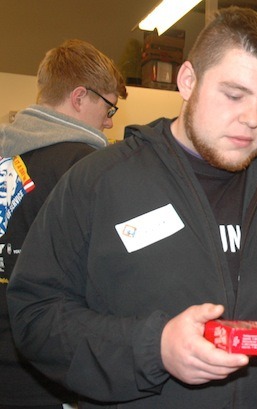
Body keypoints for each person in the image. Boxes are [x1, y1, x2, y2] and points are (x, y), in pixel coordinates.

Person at [7, 7, 257, 409]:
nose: (251, 120)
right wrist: (155, 349)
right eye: (234, 95)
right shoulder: (99, 182)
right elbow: (35, 315)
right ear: (188, 80)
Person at [0, 39, 127, 409]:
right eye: (108, 106)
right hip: (48, 376)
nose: (110, 120)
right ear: (79, 97)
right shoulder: (87, 169)